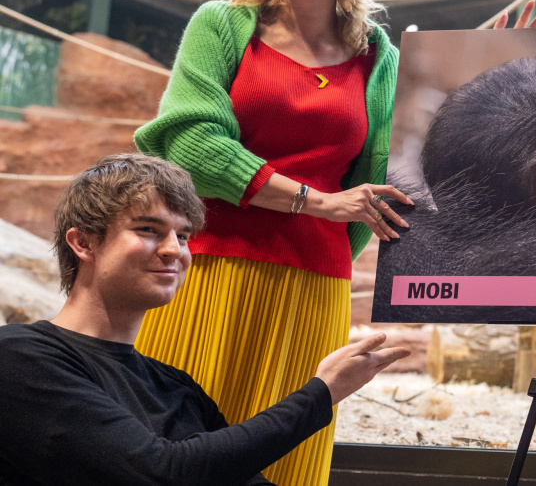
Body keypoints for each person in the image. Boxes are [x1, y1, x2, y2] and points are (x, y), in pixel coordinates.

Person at [133, 0, 536, 485]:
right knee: (175, 448)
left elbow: (399, 162)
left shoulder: (377, 55)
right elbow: (192, 145)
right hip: (213, 267)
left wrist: (480, 82)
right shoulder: (221, 25)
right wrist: (317, 202)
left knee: (286, 455)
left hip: (315, 282)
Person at [0, 154, 409, 485]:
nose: (173, 250)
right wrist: (320, 394)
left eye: (183, 236)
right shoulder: (20, 356)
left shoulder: (175, 387)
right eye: (148, 229)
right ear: (83, 243)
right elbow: (162, 471)